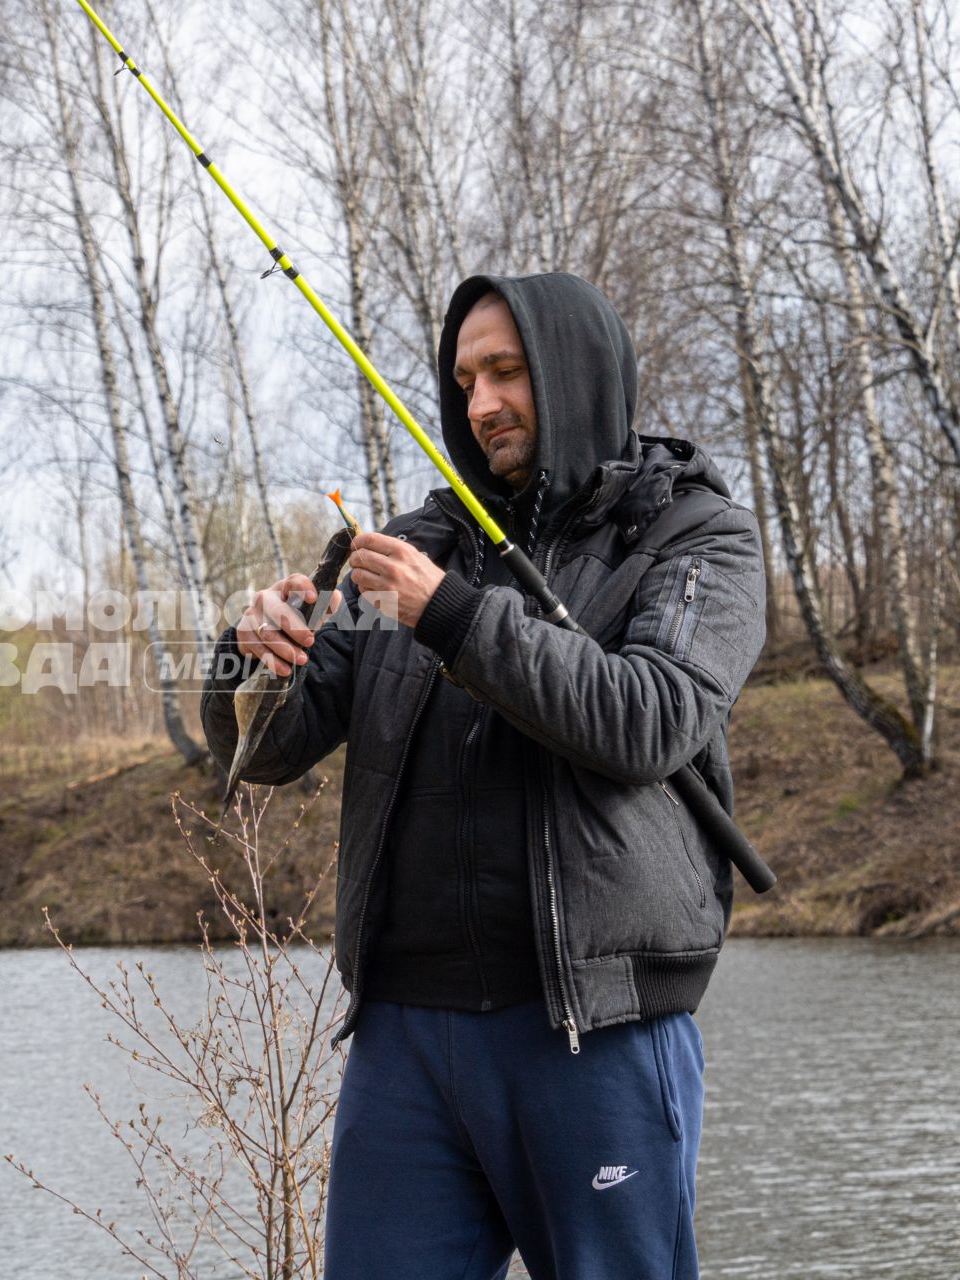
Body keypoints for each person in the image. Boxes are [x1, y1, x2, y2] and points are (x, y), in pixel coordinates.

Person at [201, 272, 767, 1279]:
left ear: (575, 372)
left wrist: (452, 614)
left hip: (595, 1030)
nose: (480, 403)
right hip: (404, 1040)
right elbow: (272, 750)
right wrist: (252, 653)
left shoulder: (694, 535)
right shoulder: (409, 550)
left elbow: (649, 718)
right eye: (464, 379)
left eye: (506, 371)